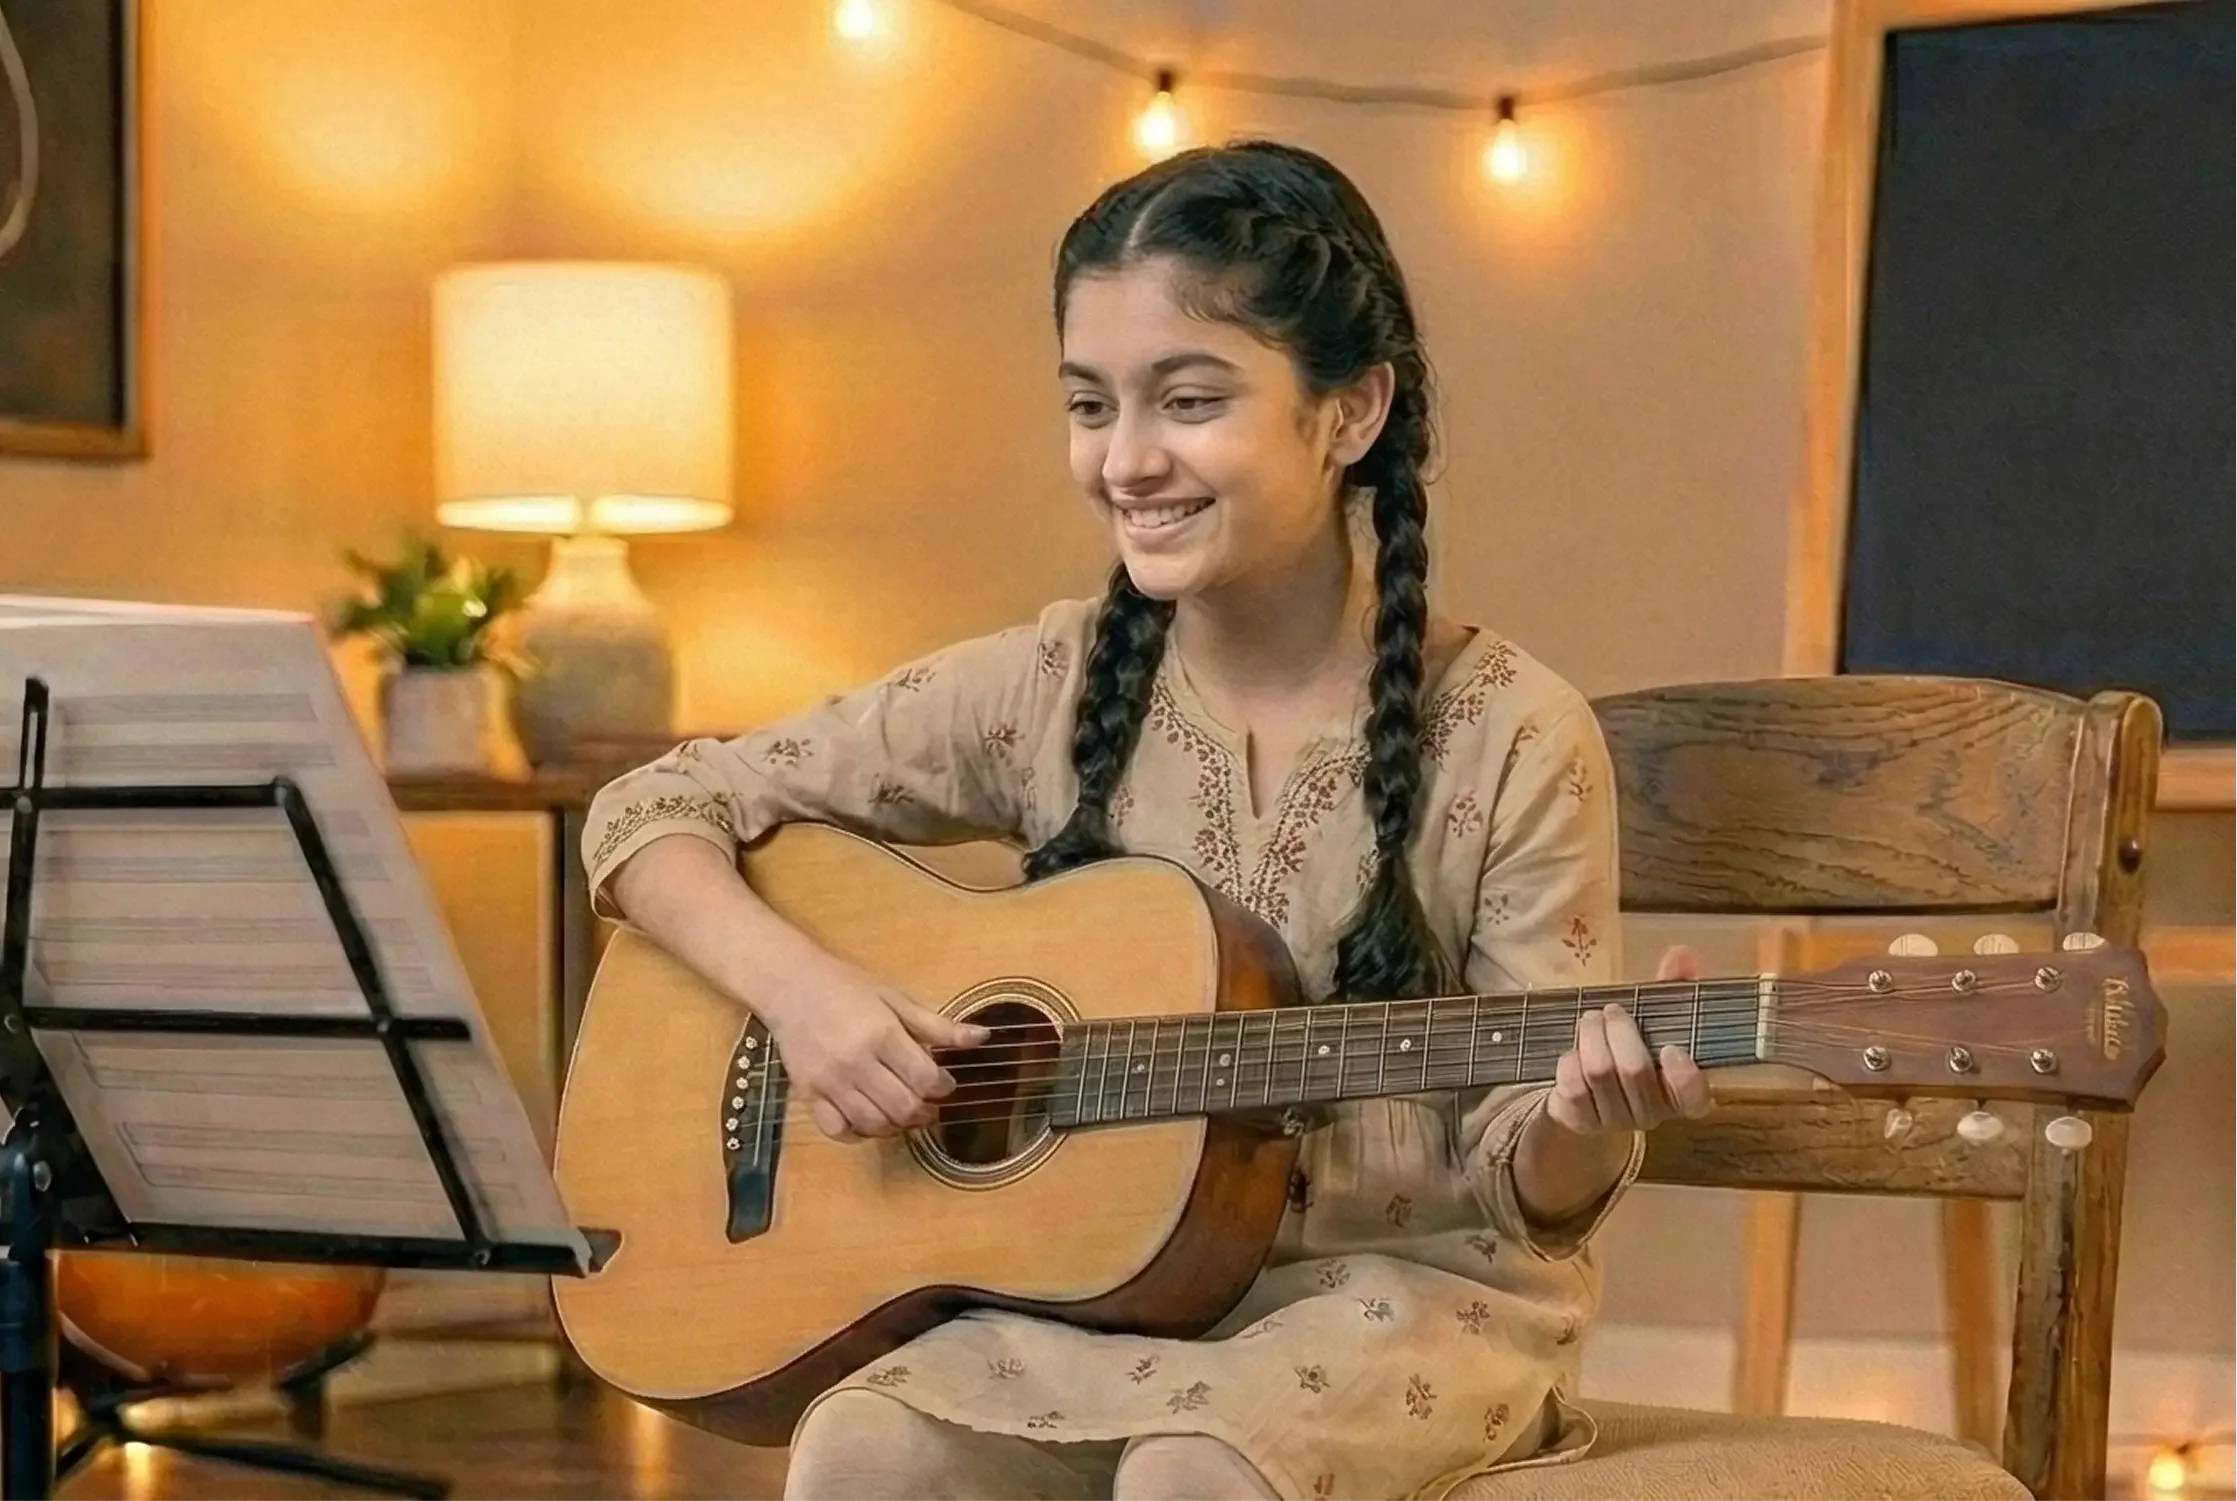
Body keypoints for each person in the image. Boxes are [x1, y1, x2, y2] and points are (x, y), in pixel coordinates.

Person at [580, 139, 1711, 1501]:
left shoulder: (1515, 731)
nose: (1126, 461)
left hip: (1415, 1308)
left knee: (1192, 1473)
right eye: (1090, 404)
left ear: (1350, 412)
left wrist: (1592, 1116)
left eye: (1188, 399)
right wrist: (809, 999)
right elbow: (655, 807)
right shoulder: (1042, 686)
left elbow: (1522, 1185)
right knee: (860, 1442)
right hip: (1113, 1303)